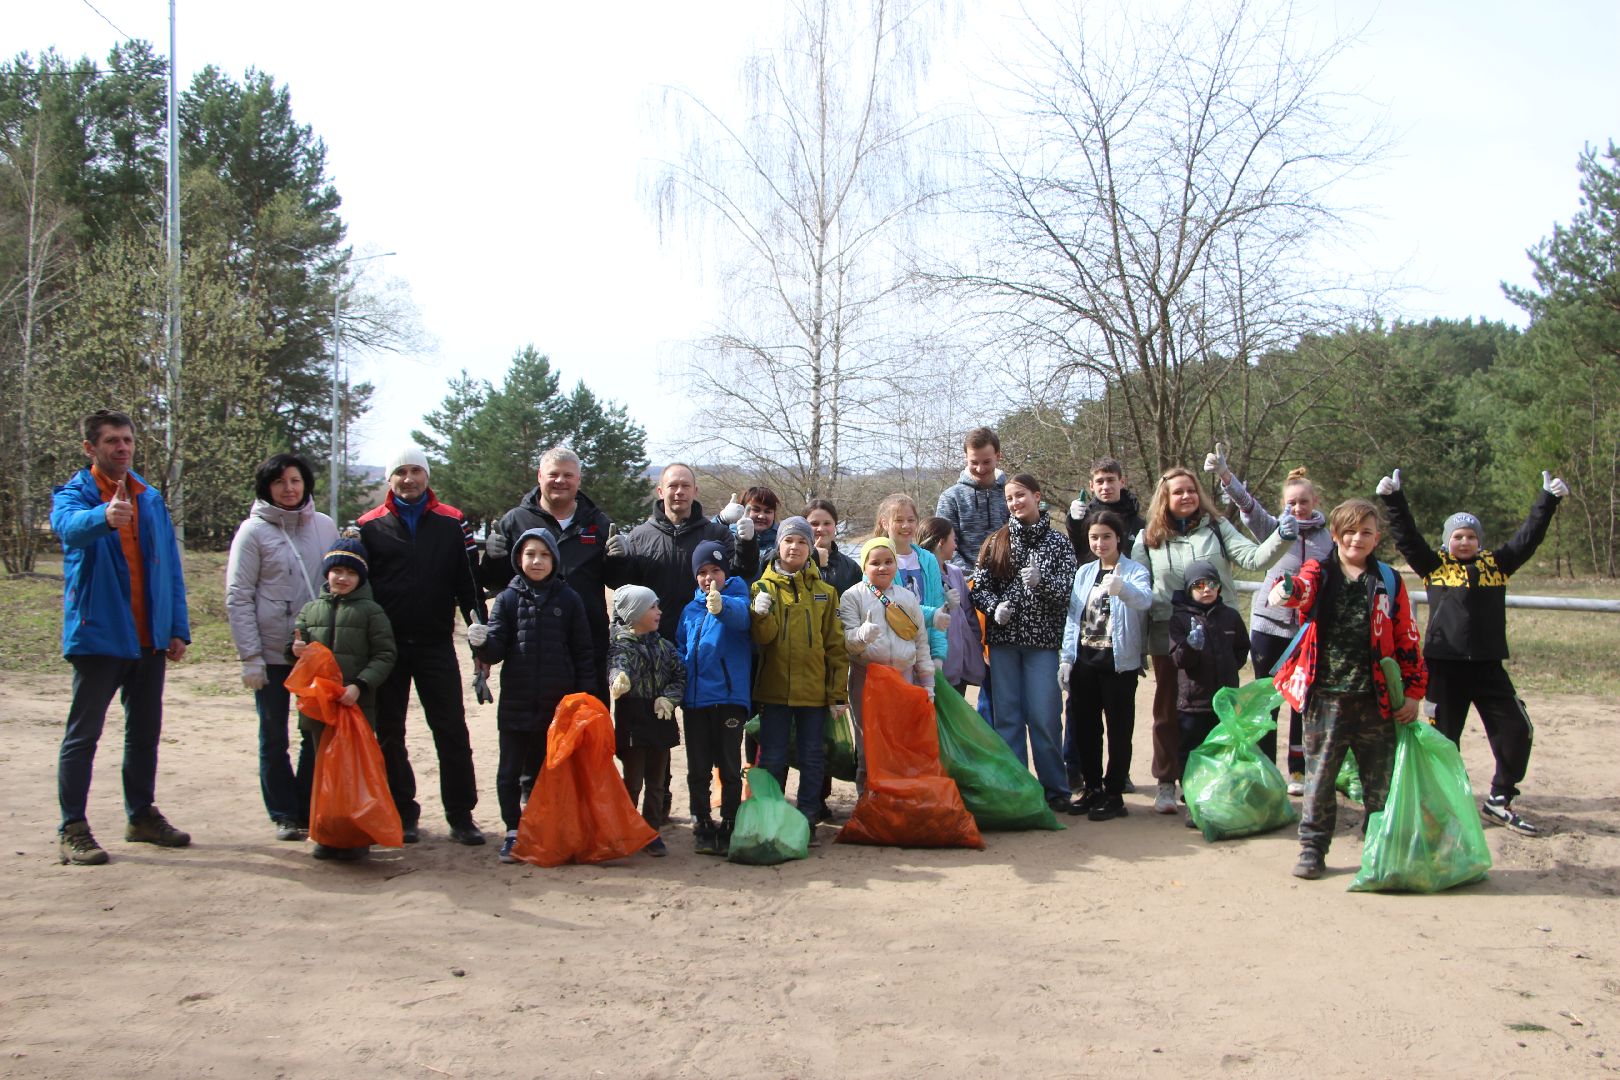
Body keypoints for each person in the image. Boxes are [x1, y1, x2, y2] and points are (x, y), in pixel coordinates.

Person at [1377, 467, 1566, 835]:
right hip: (1443, 670)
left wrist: (1549, 499)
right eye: (1458, 536)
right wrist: (1393, 499)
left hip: (1488, 667)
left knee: (1516, 730)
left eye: (1471, 536)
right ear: (1447, 542)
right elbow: (1407, 537)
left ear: (1479, 541)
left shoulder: (1497, 565)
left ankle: (1500, 799)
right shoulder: (1434, 566)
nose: (1464, 542)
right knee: (1442, 740)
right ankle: (1446, 803)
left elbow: (1529, 537)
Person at [50, 409, 192, 866]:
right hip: (99, 637)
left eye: (128, 440)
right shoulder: (74, 495)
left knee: (145, 732)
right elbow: (67, 529)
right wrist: (104, 517)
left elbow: (169, 567)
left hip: (148, 638)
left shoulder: (148, 497)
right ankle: (72, 826)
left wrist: (176, 627)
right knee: (83, 735)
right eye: (112, 440)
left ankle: (141, 816)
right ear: (91, 448)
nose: (123, 447)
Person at [1269, 498, 1426, 880]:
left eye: (1367, 532)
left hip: (1377, 701)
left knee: (1380, 783)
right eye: (1350, 531)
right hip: (1325, 698)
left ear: (1377, 538)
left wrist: (1414, 692)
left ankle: (1380, 848)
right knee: (1319, 778)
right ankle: (1312, 849)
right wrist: (1284, 590)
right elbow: (1300, 590)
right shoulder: (1320, 572)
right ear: (1336, 535)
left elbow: (1407, 637)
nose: (1358, 538)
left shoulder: (1389, 580)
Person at [1131, 467, 1286, 815]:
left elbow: (1253, 557)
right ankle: (1167, 781)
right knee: (1169, 709)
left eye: (1191, 490)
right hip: (1168, 634)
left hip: (1217, 632)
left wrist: (1282, 536)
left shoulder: (1217, 528)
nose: (1186, 496)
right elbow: (1142, 589)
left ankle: (1216, 779)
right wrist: (1138, 645)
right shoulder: (1149, 538)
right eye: (1177, 492)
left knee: (1219, 710)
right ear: (1165, 499)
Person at [607, 463, 754, 824]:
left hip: (700, 654)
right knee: (655, 734)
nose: (679, 492)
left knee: (700, 744)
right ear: (660, 491)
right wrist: (615, 560)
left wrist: (748, 542)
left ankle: (708, 815)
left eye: (685, 486)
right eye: (672, 486)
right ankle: (660, 809)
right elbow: (623, 590)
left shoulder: (715, 532)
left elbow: (741, 572)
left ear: (695, 491)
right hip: (651, 650)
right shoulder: (641, 535)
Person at [358, 448, 489, 846]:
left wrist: (479, 633)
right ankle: (403, 811)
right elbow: (357, 589)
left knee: (450, 728)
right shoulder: (368, 526)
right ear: (390, 478)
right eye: (401, 471)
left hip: (435, 642)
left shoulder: (452, 522)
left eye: (416, 470)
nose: (409, 478)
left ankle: (461, 814)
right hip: (387, 648)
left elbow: (468, 583)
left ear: (426, 476)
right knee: (388, 733)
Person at [225, 452, 339, 843]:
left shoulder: (324, 526)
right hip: (272, 651)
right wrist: (250, 657)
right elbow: (238, 596)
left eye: (295, 480)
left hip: (315, 652)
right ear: (266, 488)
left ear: (306, 483)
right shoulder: (252, 532)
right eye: (279, 482)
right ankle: (283, 812)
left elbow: (337, 581)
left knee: (314, 731)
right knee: (273, 734)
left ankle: (307, 803)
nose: (288, 489)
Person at [1206, 451, 1331, 794]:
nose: (1298, 508)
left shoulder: (1326, 538)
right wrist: (1226, 476)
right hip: (1269, 626)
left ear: (1315, 501)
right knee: (1268, 698)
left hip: (1306, 631)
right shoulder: (1274, 527)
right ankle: (1266, 768)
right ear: (1283, 504)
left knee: (1301, 699)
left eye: (1304, 502)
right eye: (1291, 502)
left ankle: (1298, 770)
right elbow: (1249, 507)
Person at [470, 527, 594, 863]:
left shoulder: (569, 599)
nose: (536, 561)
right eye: (529, 554)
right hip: (516, 701)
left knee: (543, 771)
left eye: (543, 554)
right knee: (509, 771)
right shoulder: (508, 599)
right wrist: (481, 641)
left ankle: (541, 826)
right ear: (518, 559)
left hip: (556, 706)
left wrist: (583, 697)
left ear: (554, 559)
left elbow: (583, 650)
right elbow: (495, 650)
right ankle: (513, 830)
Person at [479, 447, 624, 701]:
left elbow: (618, 582)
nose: (560, 481)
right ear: (539, 476)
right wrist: (492, 558)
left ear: (578, 480)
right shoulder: (515, 521)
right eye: (553, 474)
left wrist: (621, 559)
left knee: (586, 728)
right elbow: (494, 581)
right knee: (533, 729)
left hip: (587, 647)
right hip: (529, 650)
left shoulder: (598, 523)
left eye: (568, 475)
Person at [971, 473, 1078, 813]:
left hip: (1043, 643)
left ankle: (1055, 788)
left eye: (1021, 496)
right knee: (1008, 718)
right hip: (1004, 644)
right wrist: (993, 607)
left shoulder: (1059, 544)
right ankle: (1016, 786)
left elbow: (1069, 593)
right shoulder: (996, 542)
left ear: (1037, 495)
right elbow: (981, 588)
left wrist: (1042, 583)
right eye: (1010, 498)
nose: (1015, 503)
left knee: (1045, 716)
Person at [289, 537, 398, 861]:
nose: (342, 578)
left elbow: (385, 654)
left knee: (353, 774)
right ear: (326, 574)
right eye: (336, 570)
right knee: (323, 772)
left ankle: (355, 836)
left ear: (361, 577)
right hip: (319, 709)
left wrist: (360, 685)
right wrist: (293, 650)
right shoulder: (310, 610)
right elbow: (299, 648)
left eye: (350, 572)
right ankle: (327, 834)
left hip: (355, 706)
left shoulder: (371, 612)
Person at [751, 516, 850, 835]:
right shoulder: (761, 587)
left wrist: (837, 694)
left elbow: (836, 646)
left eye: (802, 541)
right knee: (773, 757)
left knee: (812, 756)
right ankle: (772, 814)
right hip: (774, 691)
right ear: (778, 545)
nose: (795, 547)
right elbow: (762, 640)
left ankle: (807, 816)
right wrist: (760, 614)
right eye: (789, 540)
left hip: (813, 693)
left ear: (811, 548)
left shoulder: (824, 592)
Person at [1058, 511, 1151, 821]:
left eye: (1106, 536)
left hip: (1118, 664)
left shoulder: (1134, 570)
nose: (1100, 543)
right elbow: (1074, 617)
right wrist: (1067, 658)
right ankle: (1093, 788)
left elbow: (1145, 601)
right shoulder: (1084, 572)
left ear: (1119, 538)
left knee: (1119, 730)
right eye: (1094, 537)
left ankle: (1114, 794)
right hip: (1086, 661)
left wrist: (1123, 588)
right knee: (1086, 729)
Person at [675, 539, 753, 856]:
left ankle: (731, 819)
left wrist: (721, 607)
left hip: (729, 697)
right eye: (703, 572)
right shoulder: (690, 608)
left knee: (730, 765)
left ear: (726, 571)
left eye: (716, 570)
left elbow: (742, 619)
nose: (710, 578)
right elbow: (681, 647)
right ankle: (701, 820)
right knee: (698, 766)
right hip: (696, 701)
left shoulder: (738, 596)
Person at [840, 537, 935, 790]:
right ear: (864, 566)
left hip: (903, 680)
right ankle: (868, 801)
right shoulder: (852, 597)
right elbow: (846, 641)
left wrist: (927, 684)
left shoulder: (907, 598)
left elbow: (920, 642)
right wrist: (862, 635)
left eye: (888, 561)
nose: (882, 567)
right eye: (875, 562)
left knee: (900, 741)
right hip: (866, 679)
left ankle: (899, 799)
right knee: (868, 741)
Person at [1168, 559, 1250, 827]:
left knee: (1223, 752)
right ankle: (1193, 800)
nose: (1206, 590)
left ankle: (1218, 798)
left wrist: (1228, 669)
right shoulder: (1180, 619)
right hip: (1193, 702)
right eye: (1199, 585)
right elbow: (1179, 659)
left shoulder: (1230, 616)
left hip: (1223, 701)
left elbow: (1241, 648)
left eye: (1211, 584)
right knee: (1191, 752)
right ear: (1189, 588)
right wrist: (1191, 646)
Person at [607, 586, 687, 857]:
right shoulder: (621, 645)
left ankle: (651, 831)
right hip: (634, 721)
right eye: (653, 607)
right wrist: (618, 678)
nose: (659, 612)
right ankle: (627, 829)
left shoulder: (665, 647)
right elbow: (618, 665)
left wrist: (669, 698)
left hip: (660, 720)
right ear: (635, 613)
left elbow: (679, 677)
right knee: (632, 782)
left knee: (657, 781)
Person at [871, 493, 953, 663]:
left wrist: (938, 655)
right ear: (884, 523)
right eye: (899, 520)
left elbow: (939, 607)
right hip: (893, 655)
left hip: (925, 652)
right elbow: (889, 605)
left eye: (911, 520)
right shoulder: (875, 561)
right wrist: (934, 615)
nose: (906, 525)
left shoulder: (928, 559)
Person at [919, 516, 985, 698]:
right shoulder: (920, 574)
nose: (956, 546)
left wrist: (975, 643)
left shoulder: (955, 573)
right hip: (937, 663)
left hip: (961, 664)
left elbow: (969, 614)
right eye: (953, 540)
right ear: (941, 542)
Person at [935, 426, 1009, 574]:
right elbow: (942, 545)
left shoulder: (1011, 496)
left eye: (986, 462)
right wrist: (969, 579)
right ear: (966, 458)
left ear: (998, 456)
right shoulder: (950, 498)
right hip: (965, 584)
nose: (980, 469)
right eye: (974, 462)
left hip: (1009, 581)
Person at [1065, 457, 1147, 564]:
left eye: (1110, 480)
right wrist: (1072, 519)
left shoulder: (1138, 522)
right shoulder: (1084, 518)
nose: (1106, 487)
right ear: (1091, 486)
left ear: (1122, 482)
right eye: (1100, 481)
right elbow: (1075, 538)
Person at [805, 498, 862, 595]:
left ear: (835, 526)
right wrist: (811, 558)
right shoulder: (794, 563)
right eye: (814, 524)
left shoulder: (851, 568)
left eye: (827, 523)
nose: (821, 528)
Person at [713, 487, 773, 580]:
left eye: (768, 511)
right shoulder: (727, 537)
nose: (761, 516)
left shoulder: (782, 542)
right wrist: (721, 520)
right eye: (756, 510)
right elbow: (704, 542)